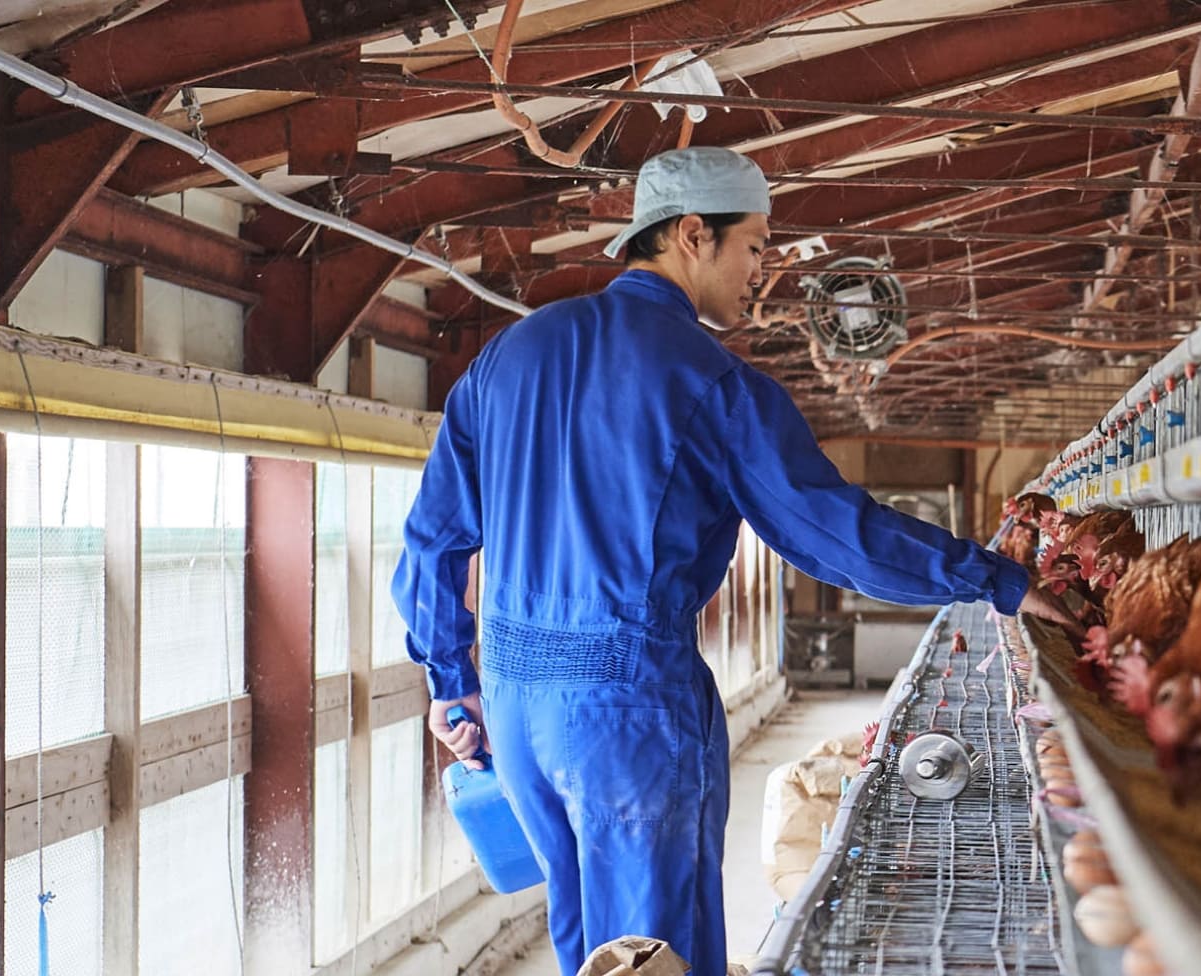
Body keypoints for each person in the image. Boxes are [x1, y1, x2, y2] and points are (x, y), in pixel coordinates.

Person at [394, 145, 1074, 976]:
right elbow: (830, 531)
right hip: (628, 710)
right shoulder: (709, 380)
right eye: (754, 245)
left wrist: (448, 680)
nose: (765, 271)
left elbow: (433, 538)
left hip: (514, 704)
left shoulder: (508, 355)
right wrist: (997, 580)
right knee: (653, 951)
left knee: (587, 947)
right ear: (691, 234)